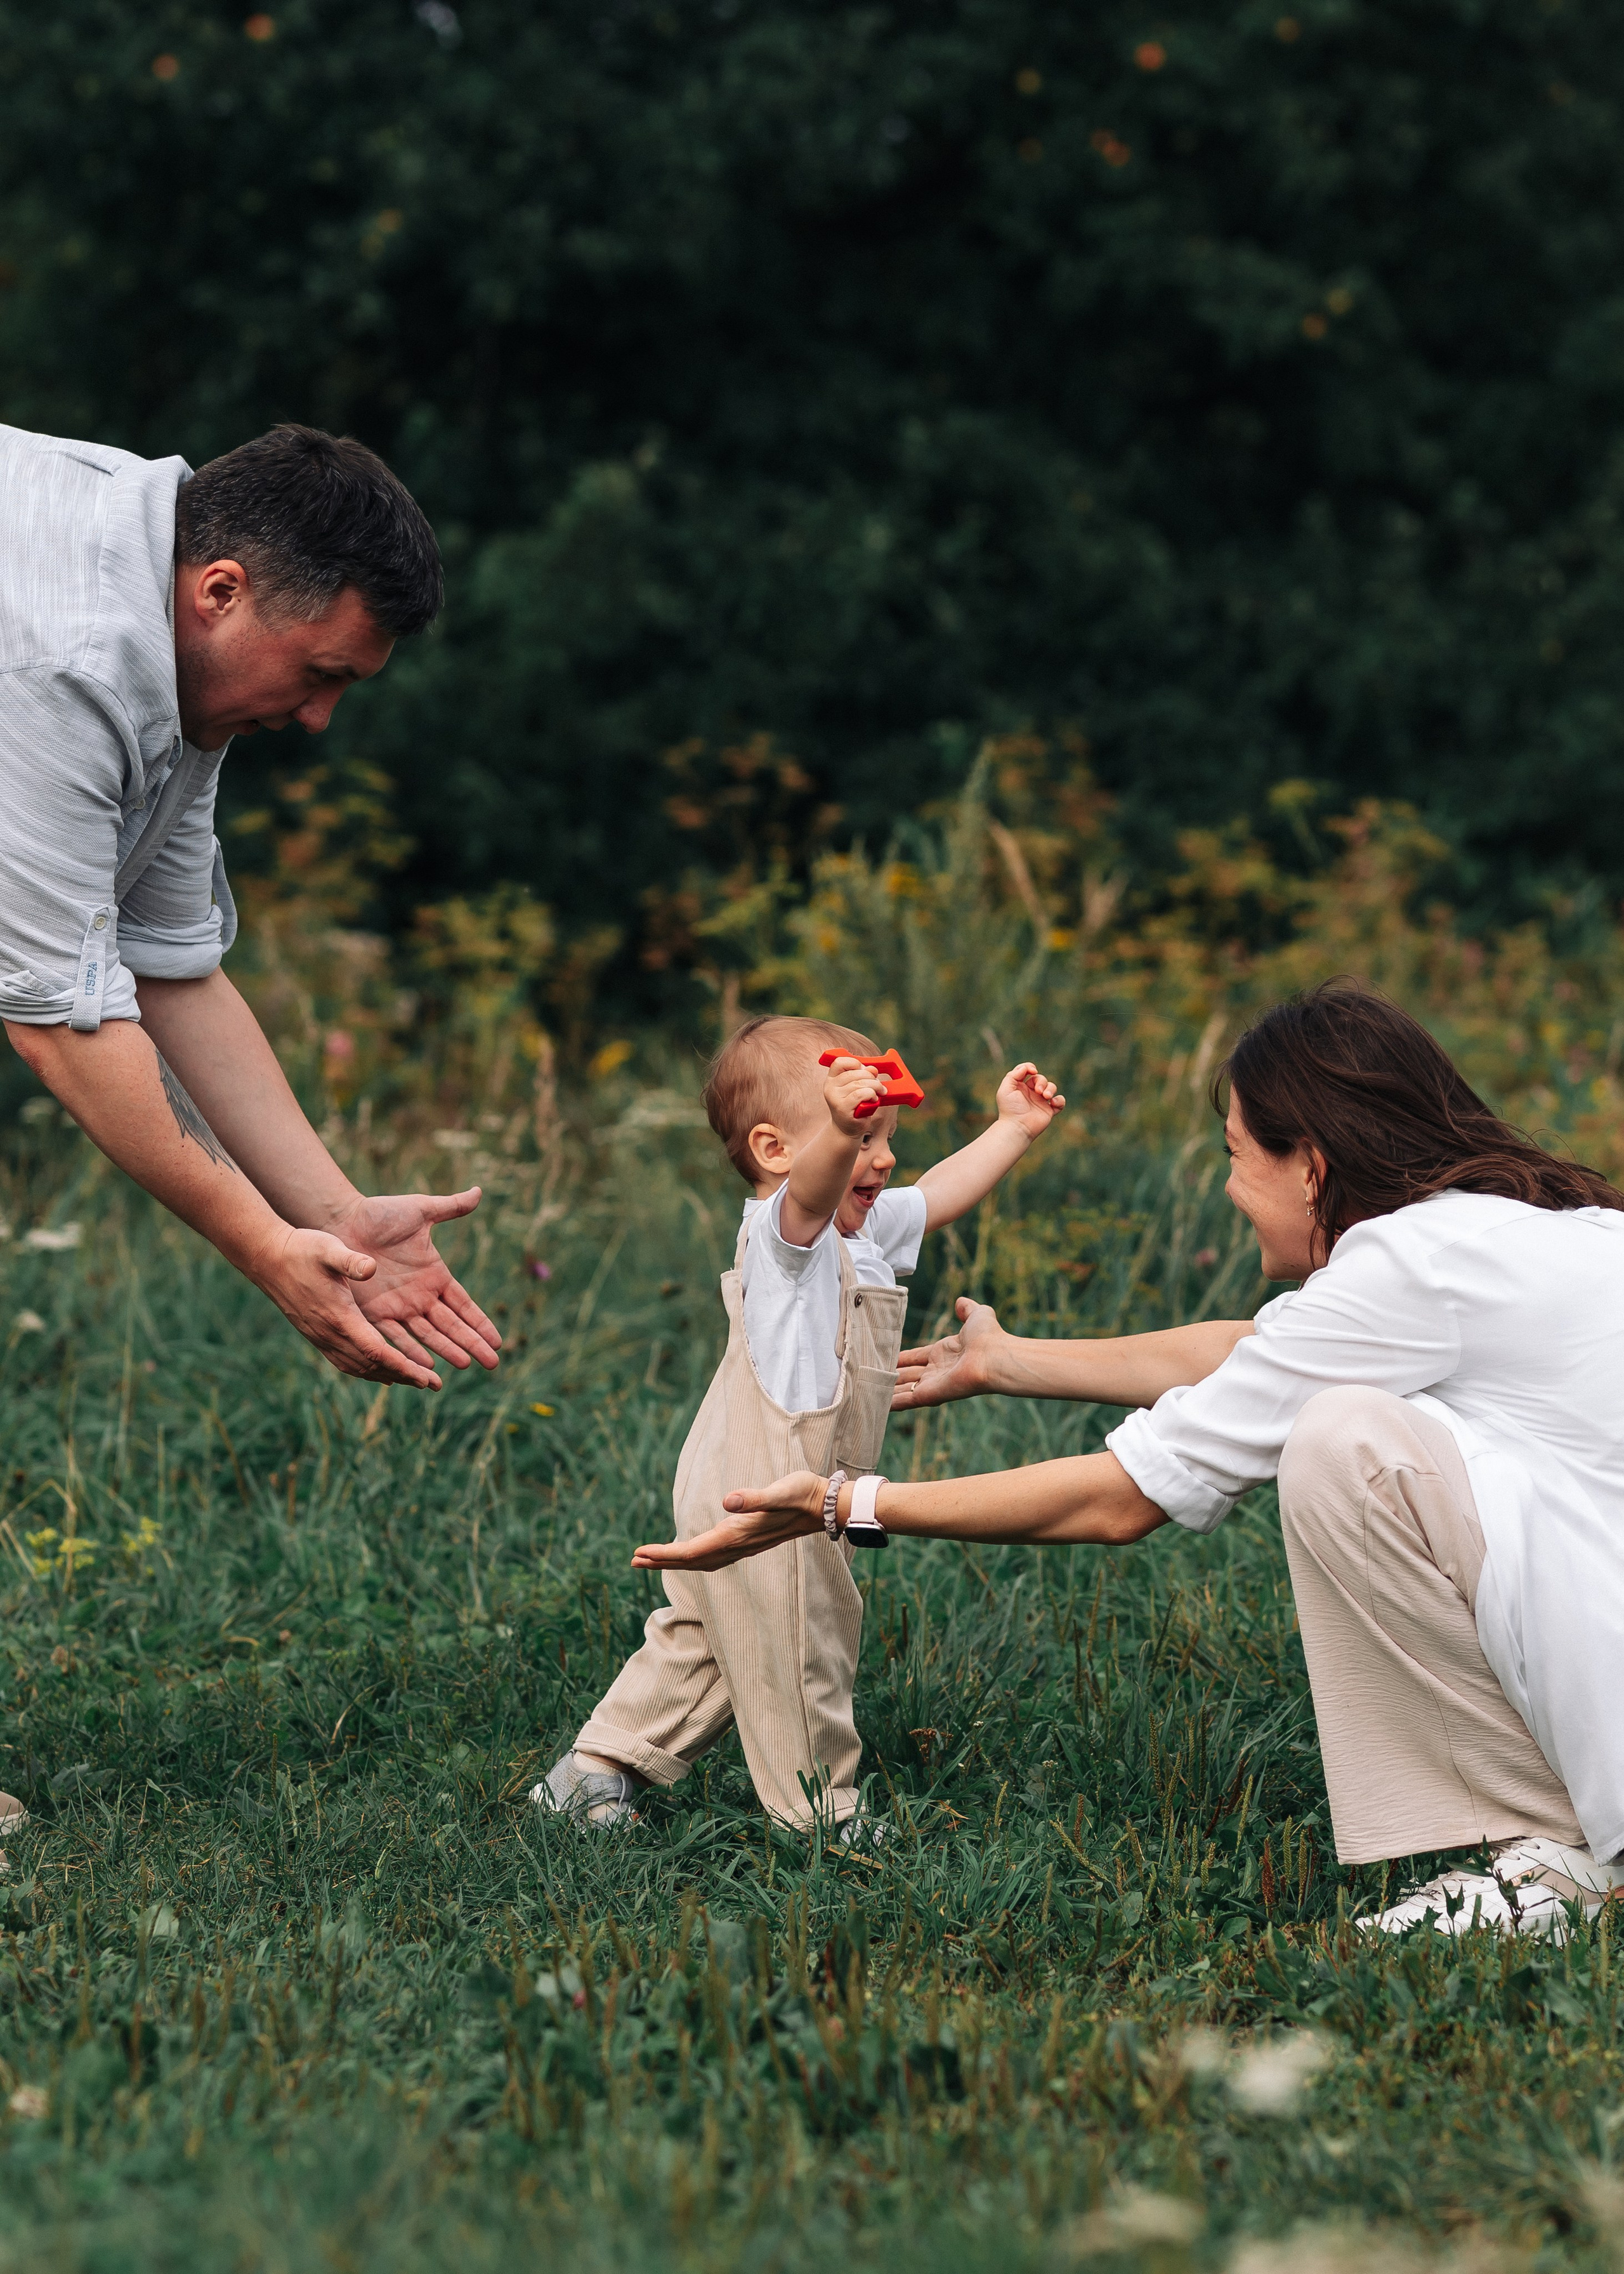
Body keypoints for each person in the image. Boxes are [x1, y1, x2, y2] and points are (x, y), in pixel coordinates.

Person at [637, 982, 1624, 1936]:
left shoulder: (1411, 1267)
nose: (1230, 1187)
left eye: (1237, 1157)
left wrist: (844, 1501)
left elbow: (1122, 1498)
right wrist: (1010, 1361)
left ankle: (1554, 1852)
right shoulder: (1522, 1232)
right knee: (1344, 1410)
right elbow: (1266, 1354)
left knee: (1343, 1441)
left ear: (1312, 1166)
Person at [0, 422, 502, 1838]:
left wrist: (329, 1214)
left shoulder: (175, 648)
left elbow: (167, 963)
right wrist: (258, 1244)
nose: (322, 718)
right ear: (221, 590)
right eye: (322, 675)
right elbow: (59, 1017)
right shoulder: (63, 655)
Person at [537, 1014, 1064, 1835]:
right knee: (801, 1640)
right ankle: (822, 1809)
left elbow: (938, 1195)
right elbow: (814, 1193)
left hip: (774, 1473)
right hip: (765, 1478)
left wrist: (1012, 1129)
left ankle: (590, 1770)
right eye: (858, 1135)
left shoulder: (864, 1226)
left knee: (710, 1640)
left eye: (885, 1134)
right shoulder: (784, 1233)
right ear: (778, 1152)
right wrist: (837, 1141)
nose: (879, 1156)